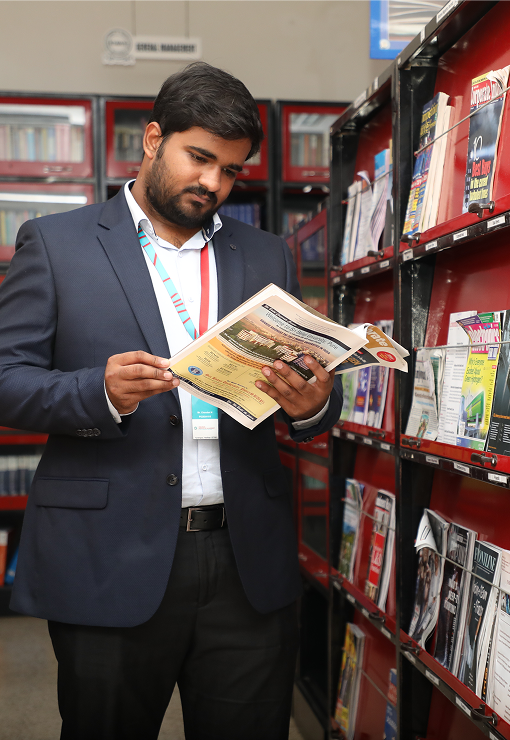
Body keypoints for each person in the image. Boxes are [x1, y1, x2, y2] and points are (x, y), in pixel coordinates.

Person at [0, 62, 343, 740]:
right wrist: (95, 390)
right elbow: (8, 380)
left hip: (246, 560)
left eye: (233, 171)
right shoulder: (58, 243)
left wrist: (309, 405)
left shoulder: (268, 254)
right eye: (201, 158)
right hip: (110, 555)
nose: (213, 183)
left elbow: (306, 405)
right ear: (153, 138)